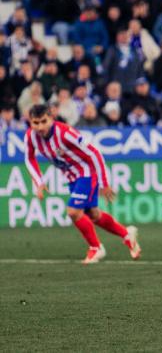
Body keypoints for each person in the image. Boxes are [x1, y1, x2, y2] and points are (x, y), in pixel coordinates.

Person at [23, 105, 141, 264]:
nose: (40, 127)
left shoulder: (66, 133)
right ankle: (127, 234)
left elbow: (94, 153)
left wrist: (104, 182)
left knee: (73, 211)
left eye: (44, 121)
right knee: (93, 214)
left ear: (51, 118)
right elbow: (29, 158)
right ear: (30, 122)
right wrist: (39, 182)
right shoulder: (30, 136)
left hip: (86, 172)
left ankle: (96, 248)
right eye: (35, 123)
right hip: (72, 177)